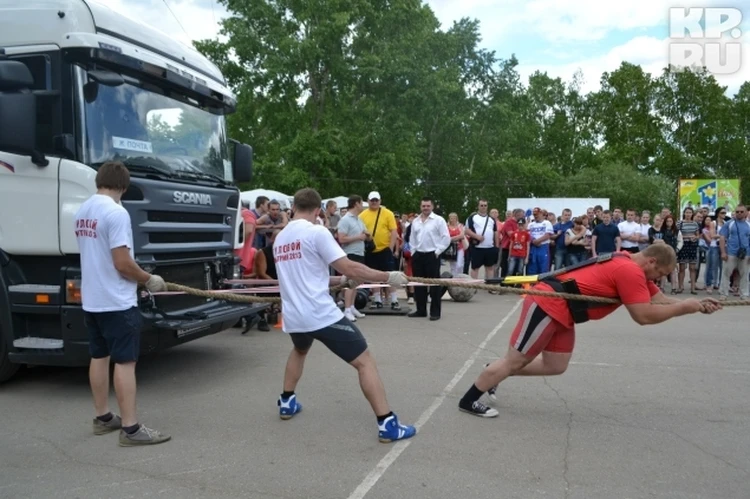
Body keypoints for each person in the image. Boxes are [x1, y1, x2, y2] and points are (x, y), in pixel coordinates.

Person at [457, 244, 723, 417]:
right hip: (547, 303)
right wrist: (684, 308)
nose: (659, 280)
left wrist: (696, 305)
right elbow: (643, 315)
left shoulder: (629, 261)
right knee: (516, 360)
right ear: (652, 262)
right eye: (660, 274)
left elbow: (658, 301)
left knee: (556, 365)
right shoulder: (629, 270)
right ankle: (469, 400)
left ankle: (496, 370)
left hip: (565, 311)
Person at [273, 187, 416, 443]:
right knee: (365, 361)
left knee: (300, 350)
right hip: (320, 315)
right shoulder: (316, 232)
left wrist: (340, 281)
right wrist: (387, 276)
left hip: (295, 317)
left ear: (294, 207)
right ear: (318, 211)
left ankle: (287, 401)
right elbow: (350, 265)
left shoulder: (281, 239)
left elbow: (307, 276)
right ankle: (387, 425)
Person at [74, 161, 171, 446]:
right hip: (116, 300)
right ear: (124, 187)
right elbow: (121, 263)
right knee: (126, 362)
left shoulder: (83, 211)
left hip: (92, 299)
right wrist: (148, 279)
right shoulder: (116, 213)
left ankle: (103, 418)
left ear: (99, 182)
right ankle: (131, 429)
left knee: (99, 356)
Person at [407, 197, 451, 321]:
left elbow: (446, 238)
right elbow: (412, 239)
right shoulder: (415, 221)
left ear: (432, 206)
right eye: (423, 206)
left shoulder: (438, 220)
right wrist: (413, 252)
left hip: (432, 255)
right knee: (419, 284)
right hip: (418, 256)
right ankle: (421, 310)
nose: (425, 208)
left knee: (434, 285)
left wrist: (437, 252)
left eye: (428, 206)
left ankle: (435, 312)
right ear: (420, 207)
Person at [336, 195, 370, 322]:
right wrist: (358, 237)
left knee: (356, 281)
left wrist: (367, 236)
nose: (363, 206)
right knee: (351, 281)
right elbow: (341, 238)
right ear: (356, 204)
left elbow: (364, 234)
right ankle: (347, 309)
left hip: (360, 252)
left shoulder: (359, 219)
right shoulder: (345, 220)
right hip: (350, 254)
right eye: (361, 203)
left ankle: (352, 306)